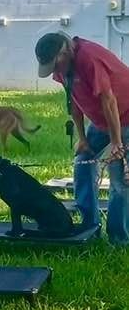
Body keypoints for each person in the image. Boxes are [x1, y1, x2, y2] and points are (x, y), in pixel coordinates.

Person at [35, 32, 129, 246]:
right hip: (101, 121)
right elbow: (74, 101)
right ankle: (89, 227)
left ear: (65, 52)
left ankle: (119, 240)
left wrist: (116, 142)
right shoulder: (62, 68)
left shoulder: (89, 58)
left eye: (55, 64)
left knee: (119, 179)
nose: (55, 71)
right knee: (82, 162)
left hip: (125, 115)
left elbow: (109, 100)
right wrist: (82, 138)